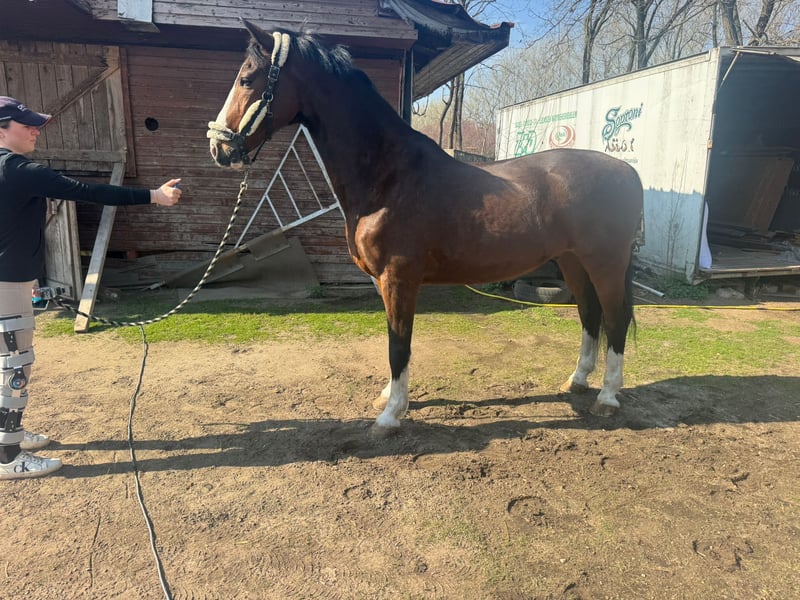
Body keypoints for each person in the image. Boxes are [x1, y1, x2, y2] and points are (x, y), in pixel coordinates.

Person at [0, 96, 182, 480]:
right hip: (6, 285)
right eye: (26, 125)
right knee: (16, 364)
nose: (35, 131)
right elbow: (87, 191)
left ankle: (7, 433)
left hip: (10, 282)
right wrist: (154, 196)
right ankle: (7, 455)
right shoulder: (18, 170)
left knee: (8, 361)